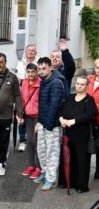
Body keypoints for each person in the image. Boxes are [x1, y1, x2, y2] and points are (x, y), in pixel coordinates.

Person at [59, 76, 97, 193]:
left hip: (82, 136)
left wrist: (74, 121)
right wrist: (61, 119)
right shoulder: (70, 97)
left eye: (82, 84)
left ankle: (82, 186)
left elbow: (90, 115)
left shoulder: (89, 100)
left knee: (82, 161)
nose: (79, 86)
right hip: (68, 135)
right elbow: (62, 110)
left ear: (86, 86)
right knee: (68, 160)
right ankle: (68, 182)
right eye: (78, 83)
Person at [34, 57, 66, 191]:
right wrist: (39, 122)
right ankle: (44, 172)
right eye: (39, 69)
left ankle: (51, 179)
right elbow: (42, 105)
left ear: (51, 68)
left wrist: (47, 125)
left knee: (52, 153)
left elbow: (55, 106)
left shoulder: (56, 82)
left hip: (52, 125)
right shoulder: (43, 81)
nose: (40, 71)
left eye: (44, 69)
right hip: (43, 123)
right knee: (41, 151)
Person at [15, 44, 39, 152]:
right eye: (29, 50)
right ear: (25, 51)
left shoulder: (38, 63)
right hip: (23, 93)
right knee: (21, 118)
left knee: (34, 120)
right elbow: (17, 77)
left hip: (34, 93)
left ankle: (33, 141)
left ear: (36, 53)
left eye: (33, 50)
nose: (31, 52)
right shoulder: (20, 63)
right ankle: (22, 141)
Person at [20, 63, 41, 179]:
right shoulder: (24, 83)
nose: (31, 74)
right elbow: (22, 99)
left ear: (37, 71)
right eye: (29, 72)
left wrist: (40, 120)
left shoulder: (40, 84)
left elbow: (42, 102)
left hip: (38, 116)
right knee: (29, 141)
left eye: (33, 72)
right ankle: (31, 165)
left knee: (36, 141)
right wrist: (20, 115)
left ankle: (38, 167)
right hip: (28, 116)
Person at [86, 58, 99, 179]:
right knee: (88, 145)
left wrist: (94, 106)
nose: (98, 70)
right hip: (88, 120)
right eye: (97, 67)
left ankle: (98, 171)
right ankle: (85, 170)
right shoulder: (89, 80)